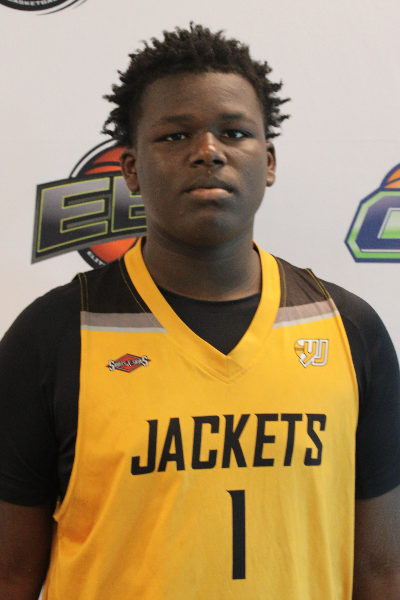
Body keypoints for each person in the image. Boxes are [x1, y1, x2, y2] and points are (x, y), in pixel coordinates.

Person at [0, 24, 400, 600]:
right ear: (131, 169)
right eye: (175, 135)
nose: (208, 151)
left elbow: (380, 570)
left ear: (267, 161)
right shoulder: (56, 334)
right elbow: (11, 573)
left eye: (234, 132)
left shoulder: (348, 329)